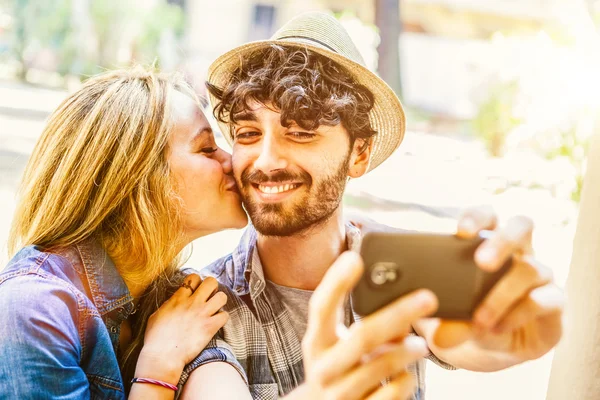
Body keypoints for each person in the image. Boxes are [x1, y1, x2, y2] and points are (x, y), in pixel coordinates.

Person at [175, 12, 565, 400]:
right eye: (248, 133)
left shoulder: (400, 270)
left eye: (301, 132)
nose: (265, 160)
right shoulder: (202, 308)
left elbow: (462, 338)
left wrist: (501, 333)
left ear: (359, 153)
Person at [0, 67, 248, 399]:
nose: (232, 161)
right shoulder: (34, 311)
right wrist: (158, 369)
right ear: (137, 177)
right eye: (206, 148)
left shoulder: (174, 300)